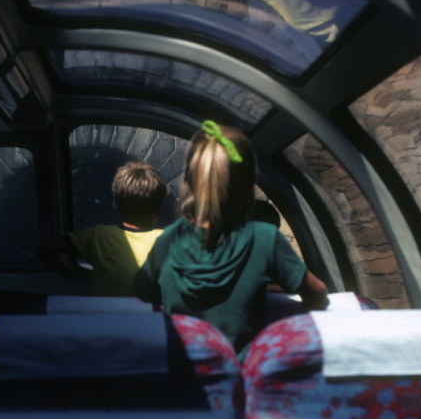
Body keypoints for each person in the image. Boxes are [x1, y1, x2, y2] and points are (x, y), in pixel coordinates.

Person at [134, 121, 328, 355]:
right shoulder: (265, 238)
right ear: (247, 184)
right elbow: (317, 295)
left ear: (192, 182)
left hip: (183, 378)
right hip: (239, 378)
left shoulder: (169, 240)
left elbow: (139, 296)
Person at [36, 161, 168, 296]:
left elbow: (44, 250)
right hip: (151, 317)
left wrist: (72, 275)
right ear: (158, 210)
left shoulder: (97, 236)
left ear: (117, 204)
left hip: (104, 316)